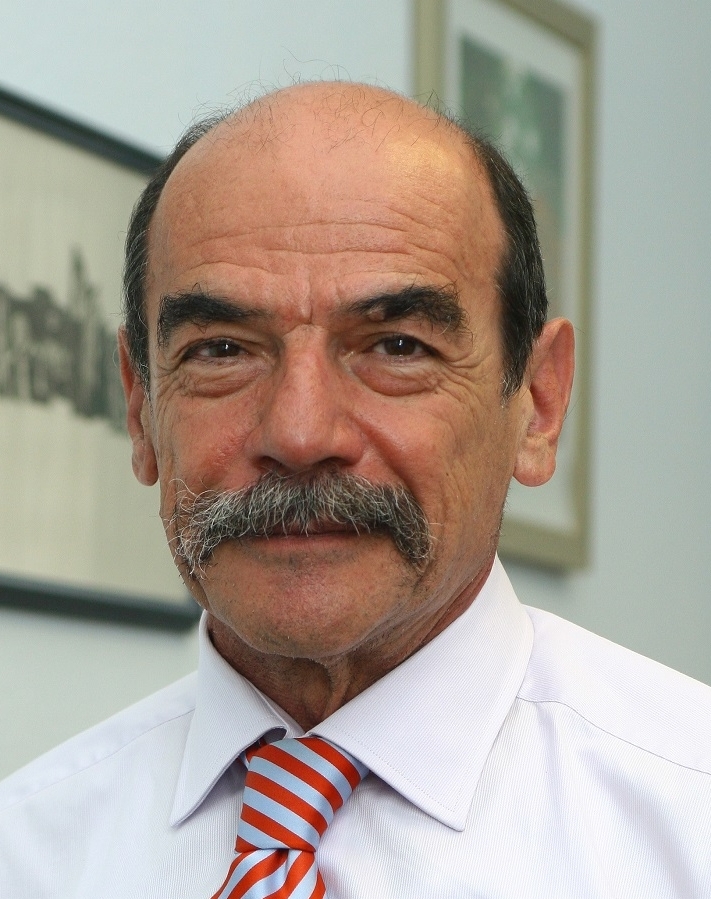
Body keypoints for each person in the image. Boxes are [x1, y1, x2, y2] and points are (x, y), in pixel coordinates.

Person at [1, 82, 709, 898]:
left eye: (396, 346)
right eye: (223, 349)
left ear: (538, 403)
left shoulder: (687, 818)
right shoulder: (26, 852)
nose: (300, 434)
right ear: (139, 408)